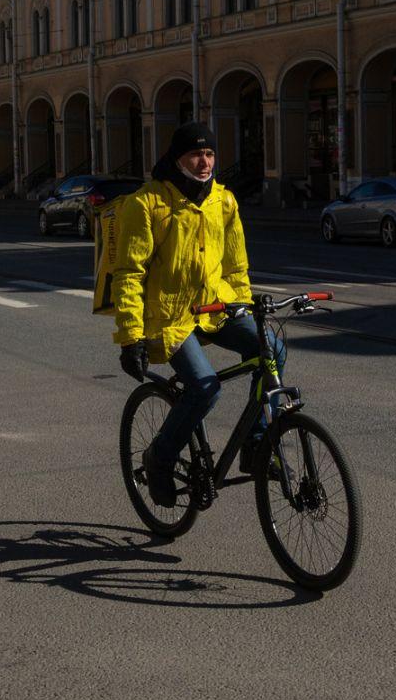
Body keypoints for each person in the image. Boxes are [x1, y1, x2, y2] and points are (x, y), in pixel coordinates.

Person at [111, 122, 284, 508]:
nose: (204, 162)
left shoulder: (224, 201)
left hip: (216, 307)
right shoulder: (146, 203)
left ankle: (256, 443)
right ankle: (159, 458)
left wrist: (243, 308)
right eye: (195, 154)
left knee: (271, 350)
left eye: (209, 154)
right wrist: (130, 337)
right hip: (169, 317)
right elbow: (129, 274)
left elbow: (235, 265)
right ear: (177, 158)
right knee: (205, 388)